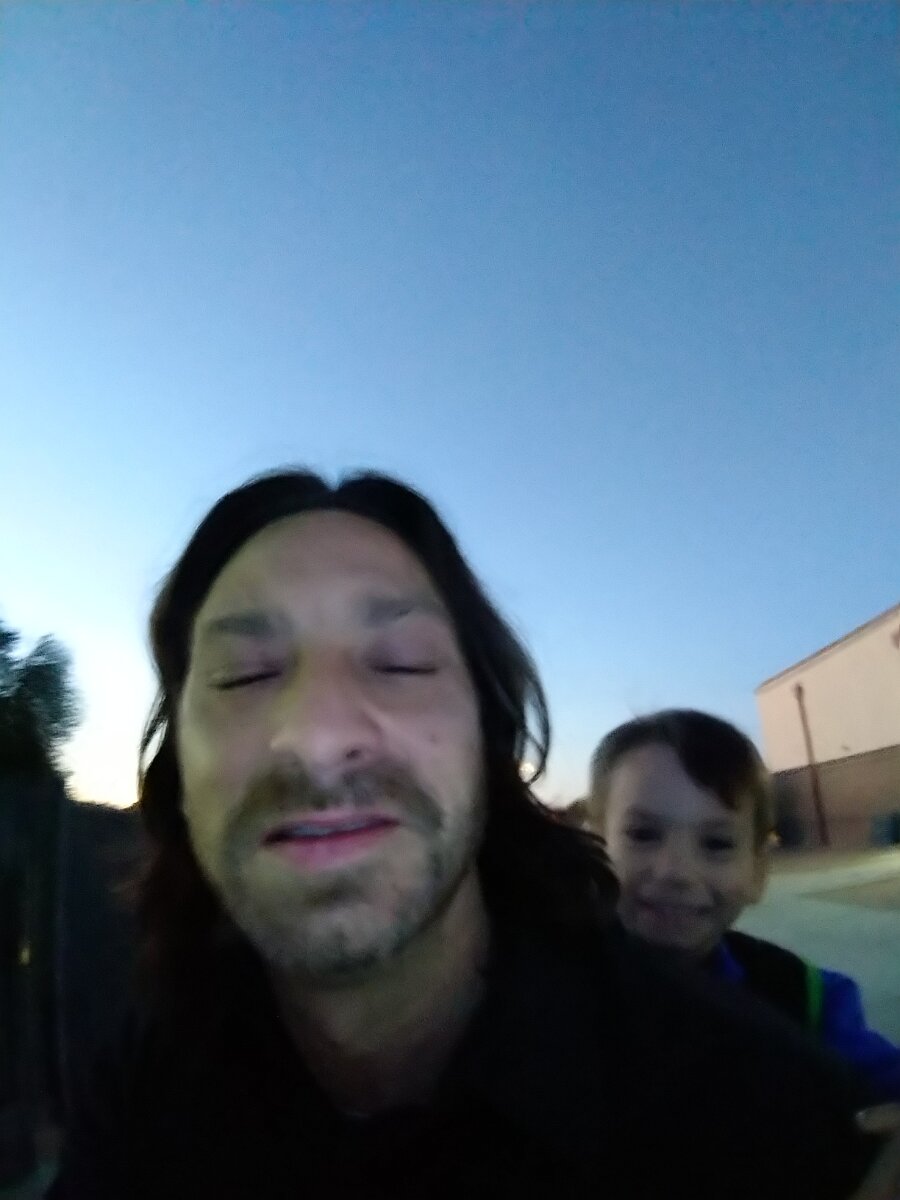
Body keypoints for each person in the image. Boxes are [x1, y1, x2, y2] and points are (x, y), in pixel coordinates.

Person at [50, 472, 878, 1199]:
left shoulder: (762, 1117)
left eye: (402, 663)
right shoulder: (138, 1086)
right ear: (179, 771)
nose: (317, 735)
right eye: (245, 675)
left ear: (489, 743)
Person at [586, 708, 900, 1102]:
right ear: (594, 847)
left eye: (716, 844)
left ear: (758, 873)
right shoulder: (544, 991)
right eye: (643, 834)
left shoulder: (808, 1001)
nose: (675, 872)